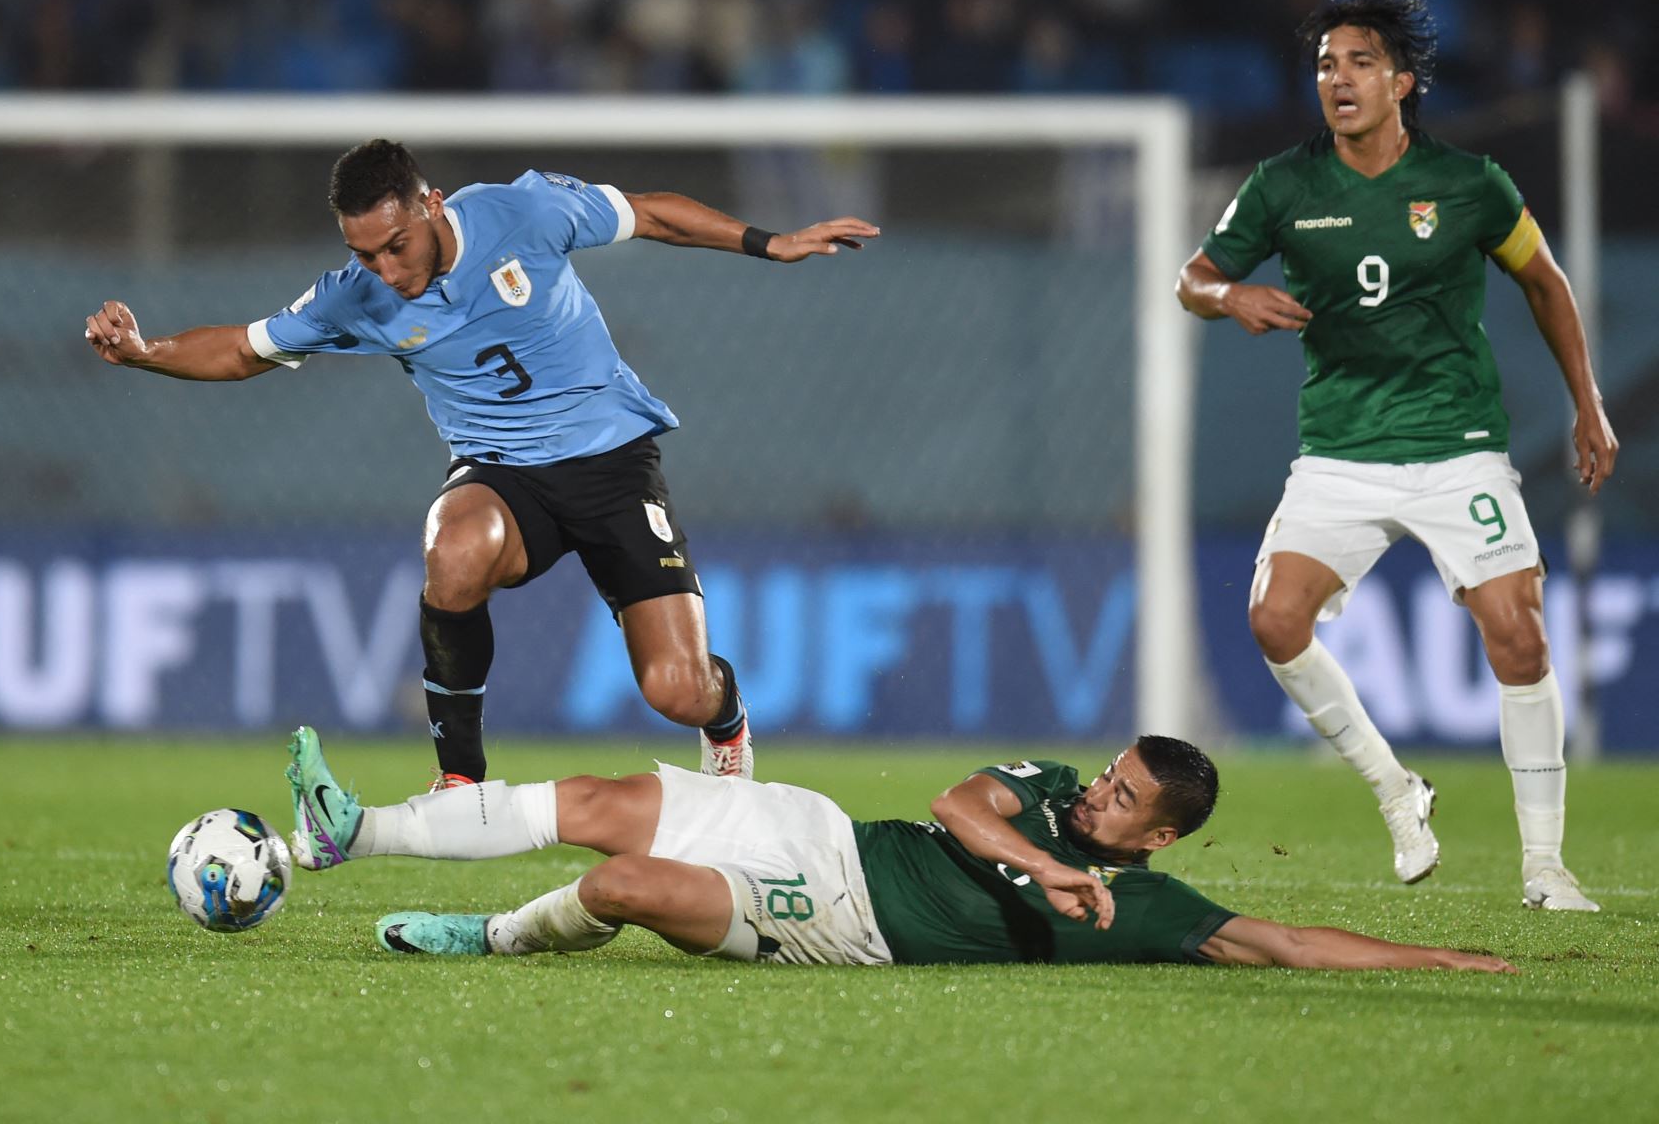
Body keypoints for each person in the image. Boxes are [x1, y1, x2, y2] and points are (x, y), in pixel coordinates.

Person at [85, 141, 880, 787]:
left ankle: (727, 720)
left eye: (396, 246)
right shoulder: (356, 296)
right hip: (503, 473)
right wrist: (145, 351)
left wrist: (768, 243)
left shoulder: (522, 212)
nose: (386, 272)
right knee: (453, 549)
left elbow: (648, 214)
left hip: (611, 463)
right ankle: (460, 779)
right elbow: (240, 349)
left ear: (431, 205)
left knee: (676, 689)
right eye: (365, 256)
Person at [1174, 0, 1615, 910]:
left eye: (1360, 62)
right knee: (1272, 619)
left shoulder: (1468, 183)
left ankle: (1545, 867)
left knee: (1520, 634)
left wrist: (1588, 404)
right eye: (1327, 64)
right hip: (1341, 450)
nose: (1338, 78)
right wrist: (1231, 299)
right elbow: (1196, 276)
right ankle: (1395, 790)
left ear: (1402, 83)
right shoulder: (1284, 185)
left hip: (1456, 448)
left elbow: (1545, 281)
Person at [281, 725, 1517, 973]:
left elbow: (1286, 942)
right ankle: (360, 832)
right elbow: (958, 804)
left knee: (617, 886)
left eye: (1123, 796)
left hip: (839, 921)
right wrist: (1044, 859)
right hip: (820, 829)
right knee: (607, 795)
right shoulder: (1040, 804)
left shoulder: (1138, 909)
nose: (1096, 794)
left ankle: (489, 937)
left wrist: (1452, 963)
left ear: (1165, 833)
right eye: (1107, 775)